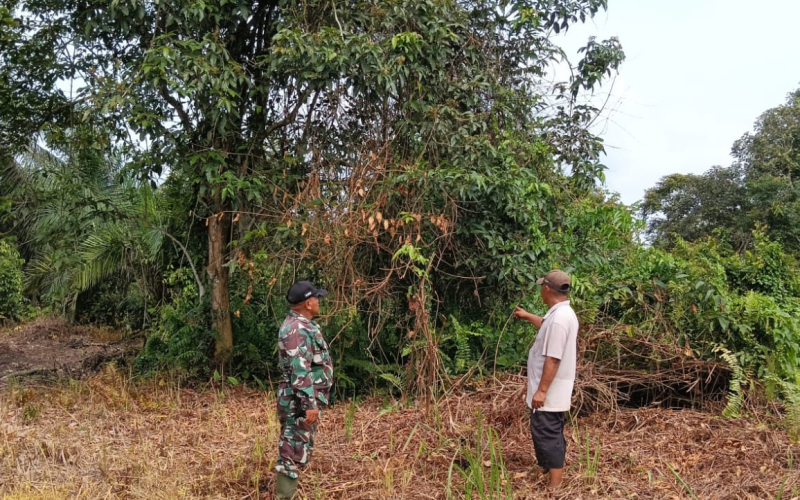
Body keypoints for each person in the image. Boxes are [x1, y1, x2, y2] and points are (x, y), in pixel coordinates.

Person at [513, 269, 579, 490]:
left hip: (550, 391)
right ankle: (547, 468)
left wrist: (541, 391)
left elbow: (553, 358)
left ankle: (555, 484)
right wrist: (527, 316)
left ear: (547, 289)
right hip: (549, 389)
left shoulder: (559, 319)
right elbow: (546, 326)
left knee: (548, 433)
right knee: (544, 430)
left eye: (542, 286)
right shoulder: (559, 314)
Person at [275, 281, 334, 500]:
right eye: (317, 298)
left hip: (300, 400)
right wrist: (309, 404)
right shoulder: (296, 330)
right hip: (297, 403)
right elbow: (300, 370)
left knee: (297, 447)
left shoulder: (303, 325)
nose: (319, 302)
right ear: (308, 303)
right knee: (290, 450)